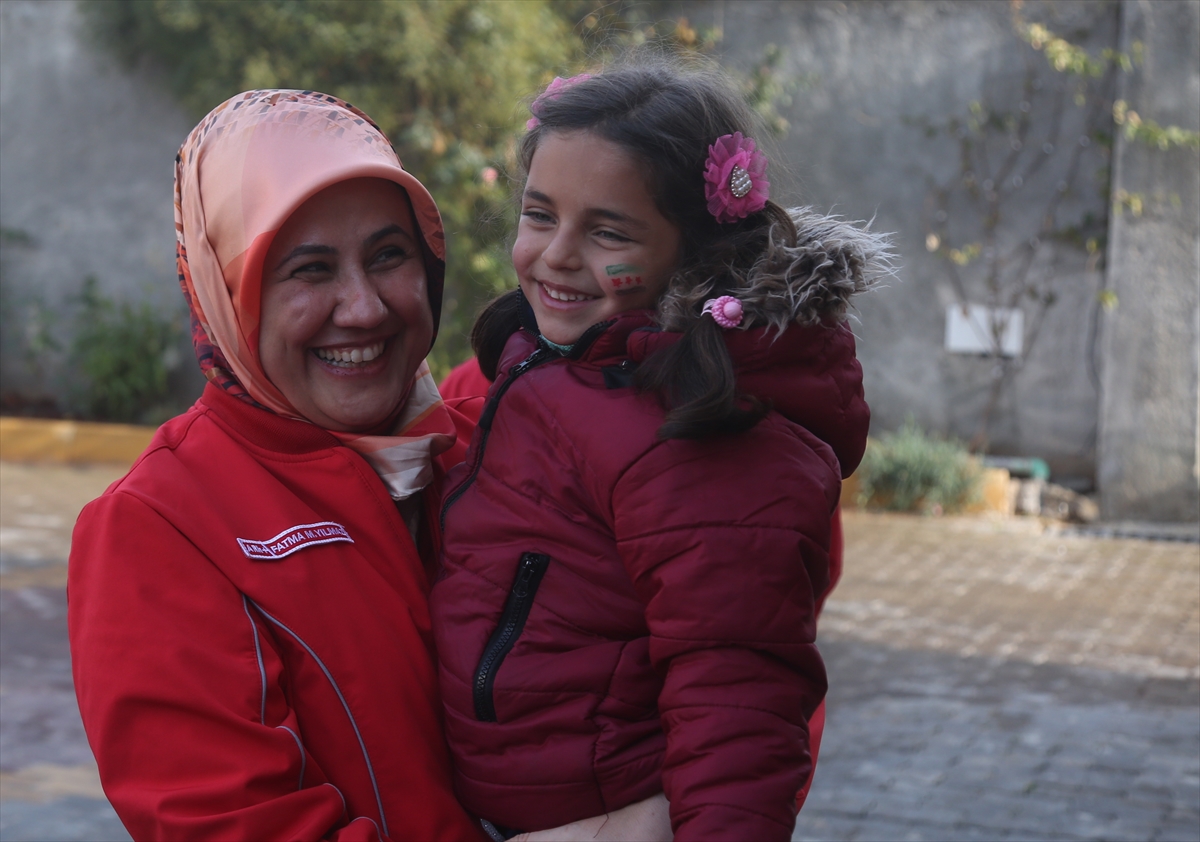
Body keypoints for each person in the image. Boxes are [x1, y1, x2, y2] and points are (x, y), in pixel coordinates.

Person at [68, 89, 666, 842]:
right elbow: (236, 825)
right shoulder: (163, 525)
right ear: (228, 293)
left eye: (388, 256)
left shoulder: (503, 446)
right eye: (308, 270)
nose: (363, 308)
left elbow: (729, 646)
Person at [430, 60, 892, 841]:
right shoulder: (547, 360)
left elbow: (738, 699)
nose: (556, 256)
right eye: (539, 215)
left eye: (608, 231)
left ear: (695, 248)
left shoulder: (706, 434)